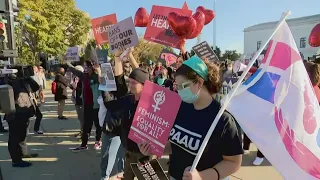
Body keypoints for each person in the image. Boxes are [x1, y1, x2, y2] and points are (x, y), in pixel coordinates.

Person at [138, 56, 243, 180]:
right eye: (177, 86)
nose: (179, 90)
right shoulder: (180, 108)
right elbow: (176, 145)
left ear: (199, 83)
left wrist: (202, 176)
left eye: (183, 86)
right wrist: (154, 149)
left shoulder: (222, 119)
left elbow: (234, 162)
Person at [103, 49, 152, 180]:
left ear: (143, 86)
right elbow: (118, 85)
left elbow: (145, 77)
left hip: (144, 154)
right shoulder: (128, 99)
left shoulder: (150, 103)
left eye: (133, 83)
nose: (130, 85)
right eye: (129, 82)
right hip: (129, 151)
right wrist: (106, 73)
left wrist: (130, 55)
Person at [67, 60, 102, 151]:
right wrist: (67, 62)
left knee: (98, 124)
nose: (86, 68)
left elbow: (102, 81)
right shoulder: (84, 76)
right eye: (85, 66)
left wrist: (99, 71)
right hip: (87, 104)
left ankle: (98, 141)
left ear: (92, 67)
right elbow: (75, 71)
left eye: (87, 66)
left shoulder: (96, 77)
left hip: (96, 105)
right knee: (86, 125)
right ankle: (84, 144)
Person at [7, 74, 39, 167]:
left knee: (21, 136)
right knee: (14, 138)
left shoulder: (23, 81)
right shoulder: (9, 81)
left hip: (24, 113)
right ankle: (16, 160)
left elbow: (35, 87)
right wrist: (13, 78)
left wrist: (27, 77)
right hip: (15, 114)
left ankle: (20, 155)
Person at [99, 91, 125, 180]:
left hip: (119, 126)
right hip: (111, 126)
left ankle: (121, 174)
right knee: (108, 154)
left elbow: (110, 104)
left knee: (122, 155)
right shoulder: (108, 84)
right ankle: (105, 176)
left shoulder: (125, 86)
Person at [70, 65, 84, 138]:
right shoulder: (76, 78)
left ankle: (83, 133)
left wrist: (76, 88)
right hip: (77, 100)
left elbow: (83, 90)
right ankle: (81, 131)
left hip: (81, 100)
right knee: (79, 117)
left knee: (82, 118)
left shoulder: (83, 79)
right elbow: (73, 87)